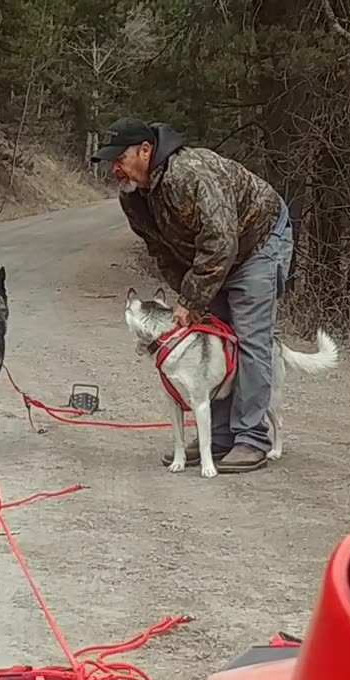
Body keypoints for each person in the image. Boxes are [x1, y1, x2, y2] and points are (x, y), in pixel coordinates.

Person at [91, 116, 296, 474]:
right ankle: (217, 438)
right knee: (210, 336)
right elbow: (161, 251)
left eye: (119, 159)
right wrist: (187, 296)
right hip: (213, 257)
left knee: (248, 338)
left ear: (145, 150)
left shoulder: (190, 172)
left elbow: (221, 242)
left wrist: (191, 301)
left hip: (258, 242)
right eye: (111, 162)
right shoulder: (134, 198)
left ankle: (251, 439)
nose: (115, 168)